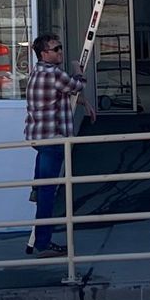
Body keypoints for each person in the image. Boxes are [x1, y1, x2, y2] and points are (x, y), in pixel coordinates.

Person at [23, 32, 95, 257]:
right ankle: (43, 242)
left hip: (39, 137)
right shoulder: (54, 74)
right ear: (44, 53)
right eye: (56, 49)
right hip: (53, 139)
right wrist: (78, 68)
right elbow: (77, 84)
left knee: (44, 184)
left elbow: (61, 95)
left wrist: (82, 102)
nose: (60, 52)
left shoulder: (38, 72)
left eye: (60, 48)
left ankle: (36, 187)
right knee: (48, 194)